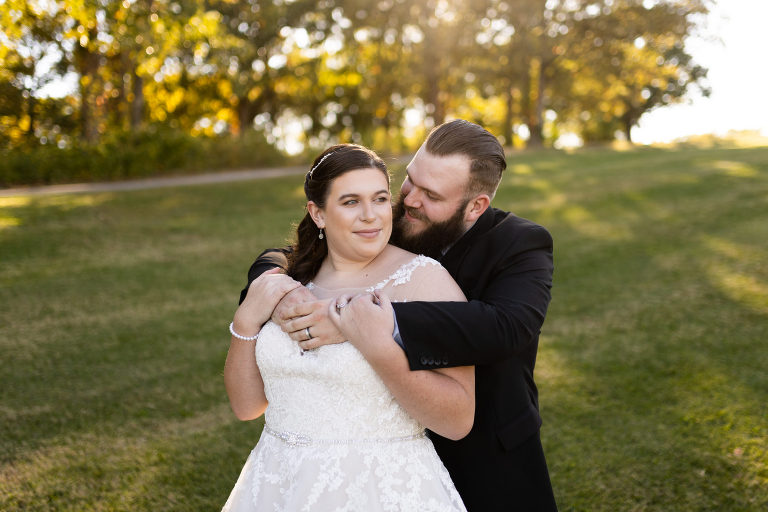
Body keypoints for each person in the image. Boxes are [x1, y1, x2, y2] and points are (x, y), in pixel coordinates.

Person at [242, 120, 558, 511]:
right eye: (410, 180)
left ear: (476, 206)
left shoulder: (519, 244)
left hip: (486, 447)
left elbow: (506, 327)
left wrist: (365, 322)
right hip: (373, 441)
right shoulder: (392, 219)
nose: (409, 200)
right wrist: (278, 289)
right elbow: (293, 252)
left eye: (431, 194)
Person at [222, 144, 472, 511]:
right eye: (351, 202)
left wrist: (374, 342)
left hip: (381, 488)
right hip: (277, 482)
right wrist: (246, 319)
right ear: (318, 214)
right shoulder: (287, 280)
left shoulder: (424, 281)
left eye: (381, 199)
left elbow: (458, 420)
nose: (371, 216)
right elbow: (247, 406)